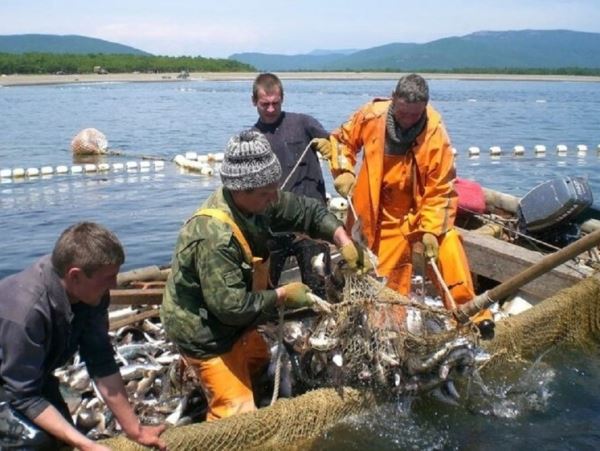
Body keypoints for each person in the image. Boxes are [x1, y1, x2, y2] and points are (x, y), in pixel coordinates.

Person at [160, 130, 370, 421]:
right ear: (239, 190)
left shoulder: (260, 199)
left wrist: (342, 240)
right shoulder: (214, 235)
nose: (274, 196)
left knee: (259, 363)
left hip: (240, 319)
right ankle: (216, 395)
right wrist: (283, 295)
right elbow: (230, 308)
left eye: (273, 187)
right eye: (266, 192)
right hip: (204, 331)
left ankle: (244, 381)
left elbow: (306, 211)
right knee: (238, 416)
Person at [313, 73, 494, 337]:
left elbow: (441, 187)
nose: (408, 120)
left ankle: (470, 317)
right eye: (402, 113)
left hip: (420, 211)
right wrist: (343, 171)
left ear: (425, 107)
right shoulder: (372, 115)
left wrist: (431, 230)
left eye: (415, 115)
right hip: (377, 212)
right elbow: (341, 140)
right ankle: (387, 336)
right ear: (393, 99)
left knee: (449, 247)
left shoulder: (435, 131)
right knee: (386, 281)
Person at [0, 222, 167, 451]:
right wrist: (87, 444)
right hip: (10, 381)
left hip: (32, 376)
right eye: (108, 277)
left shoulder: (91, 295)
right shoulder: (27, 311)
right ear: (75, 275)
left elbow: (101, 360)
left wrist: (135, 430)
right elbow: (22, 395)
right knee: (35, 443)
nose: (114, 283)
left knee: (62, 440)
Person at [251, 72, 332, 298]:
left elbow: (338, 145)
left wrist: (330, 145)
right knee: (265, 289)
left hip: (311, 223)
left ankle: (321, 325)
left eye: (275, 103)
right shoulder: (251, 138)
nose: (270, 109)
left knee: (319, 285)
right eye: (264, 104)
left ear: (282, 99)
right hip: (271, 226)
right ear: (254, 102)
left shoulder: (304, 123)